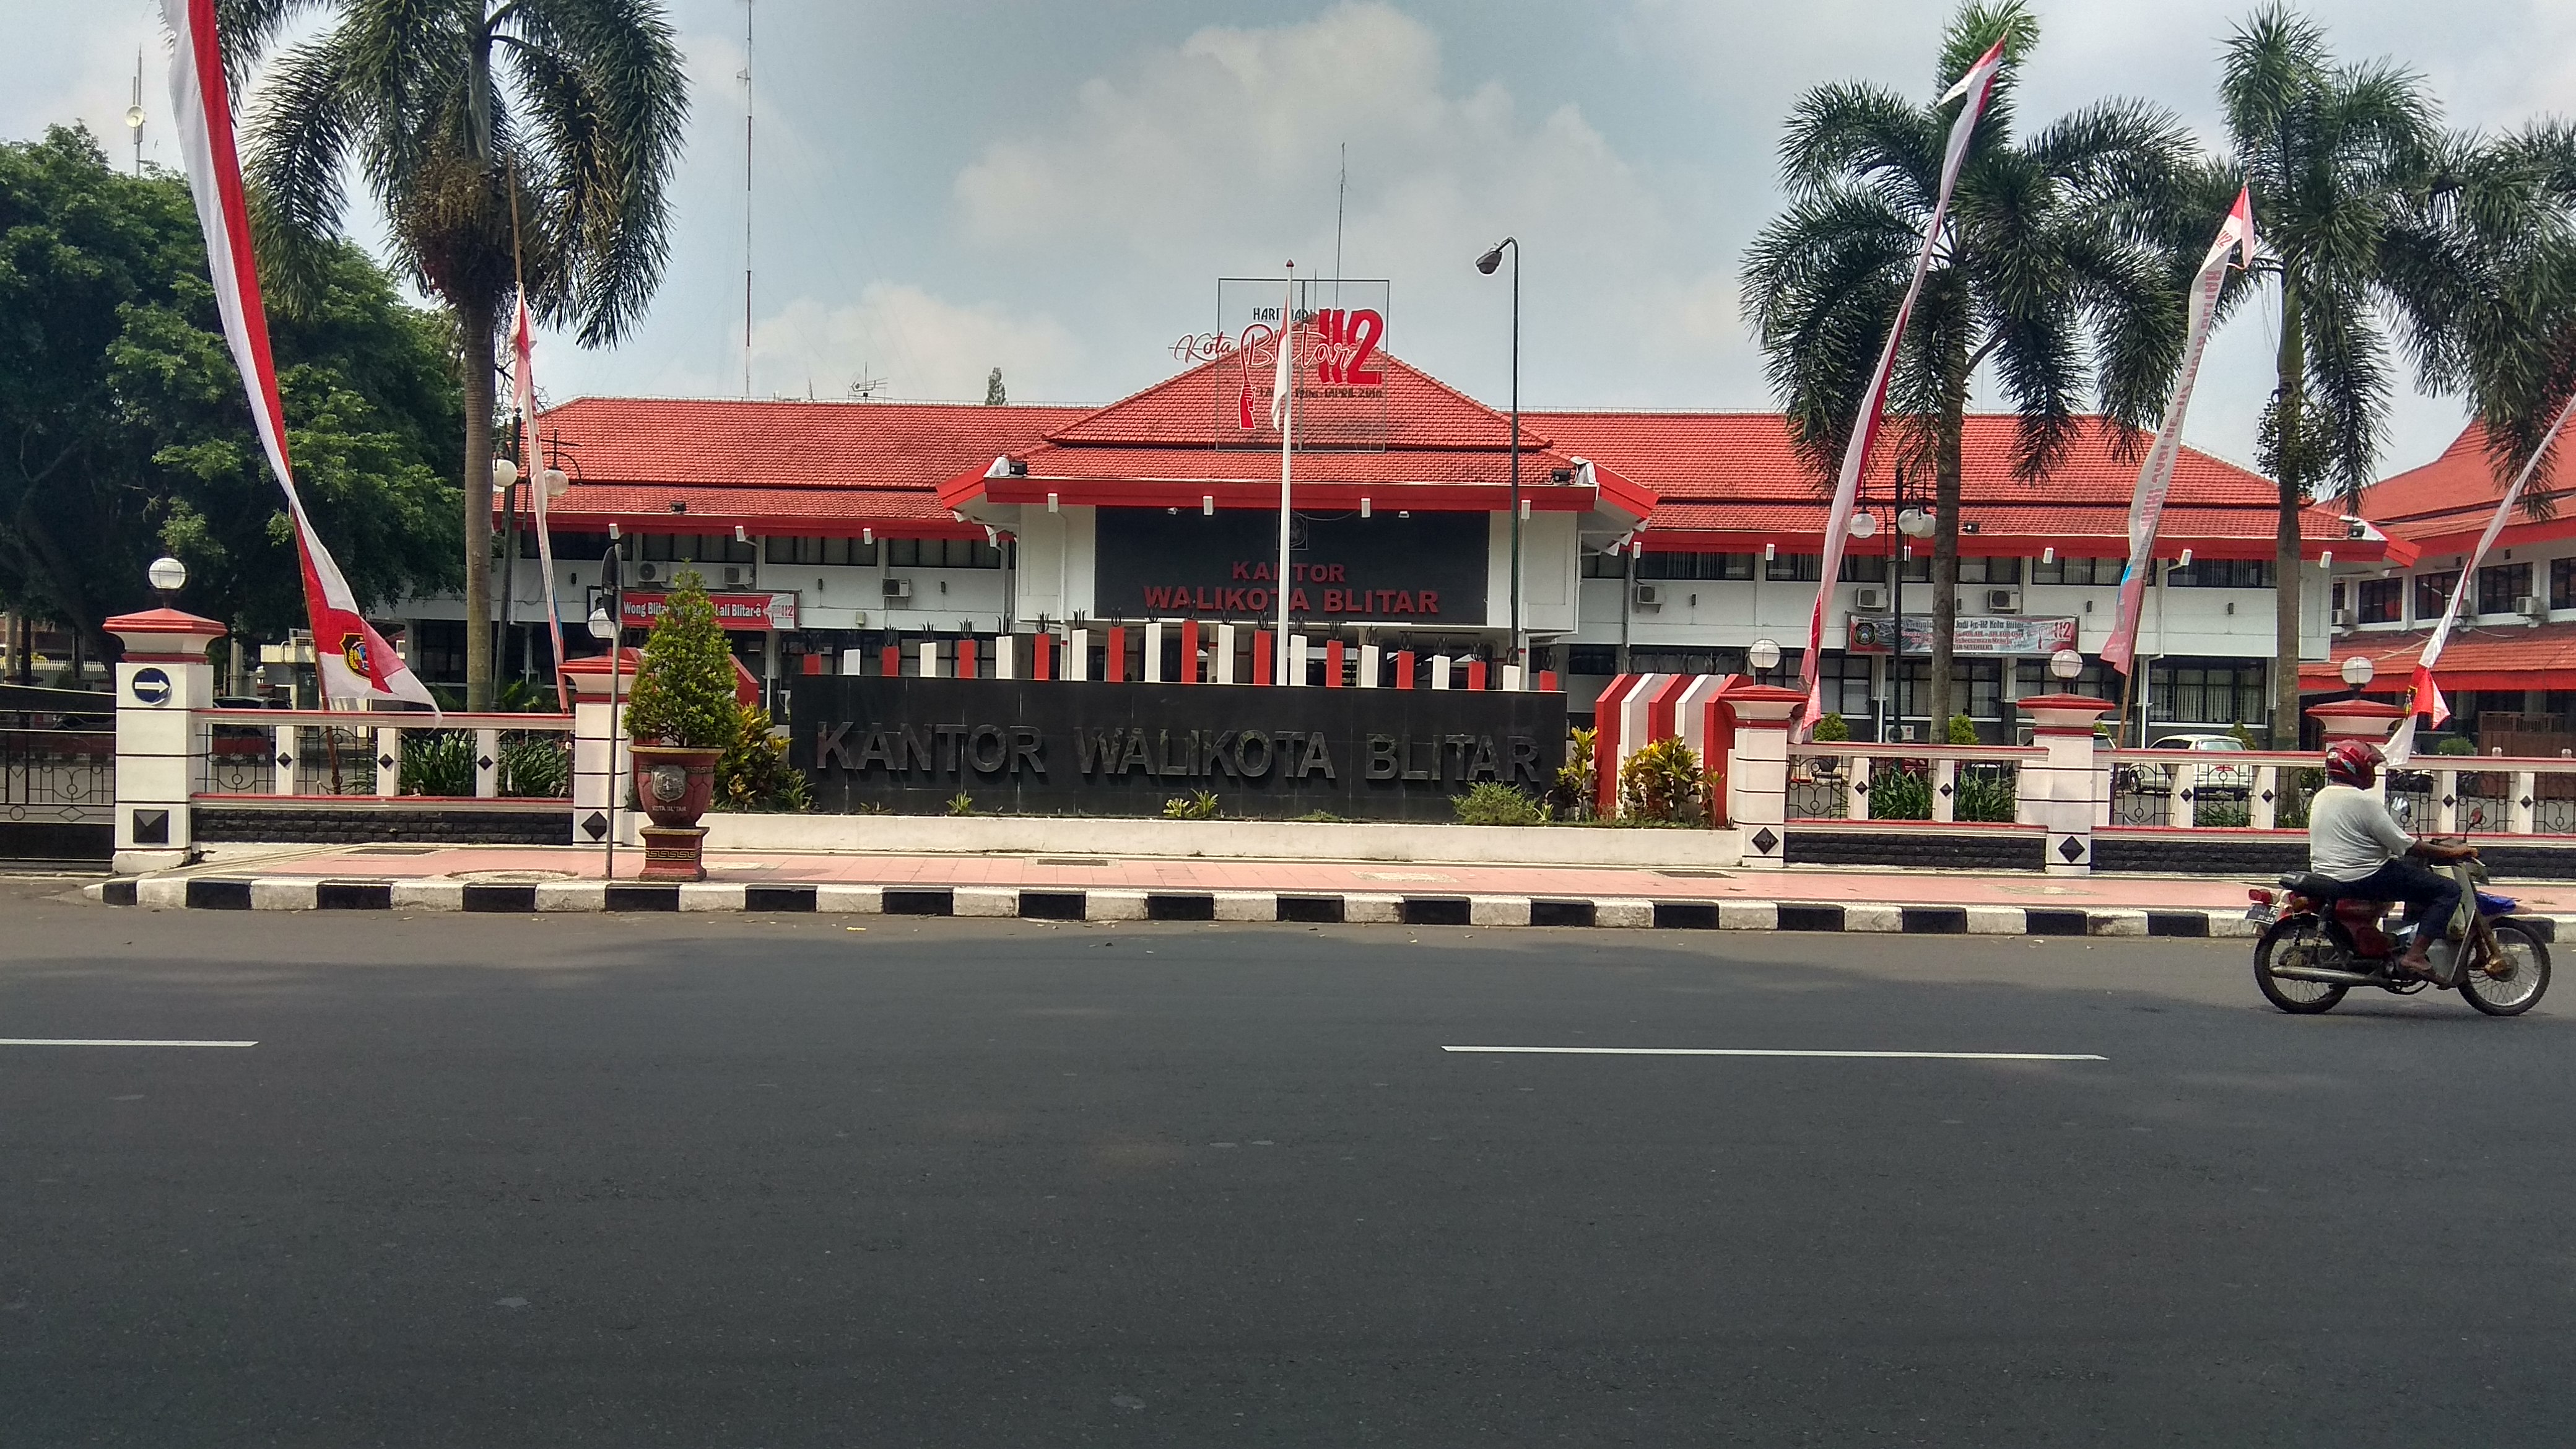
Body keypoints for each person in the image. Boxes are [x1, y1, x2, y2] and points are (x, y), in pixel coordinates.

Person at [2305, 739, 2477, 975]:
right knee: (2447, 890)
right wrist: (2452, 852)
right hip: (2365, 875)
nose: (2373, 774)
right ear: (2358, 769)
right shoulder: (2363, 801)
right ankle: (2415, 956)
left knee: (2414, 882)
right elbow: (2405, 845)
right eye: (2371, 768)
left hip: (2328, 873)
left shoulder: (2322, 796)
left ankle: (2397, 943)